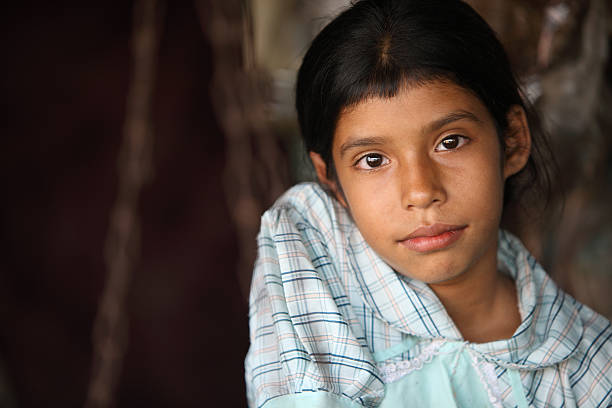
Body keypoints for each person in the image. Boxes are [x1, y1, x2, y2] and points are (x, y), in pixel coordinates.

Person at [244, 0, 612, 407]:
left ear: (512, 140)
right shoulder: (310, 246)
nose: (420, 192)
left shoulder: (591, 368)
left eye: (450, 142)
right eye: (373, 160)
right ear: (331, 178)